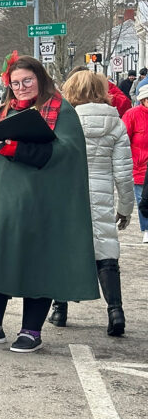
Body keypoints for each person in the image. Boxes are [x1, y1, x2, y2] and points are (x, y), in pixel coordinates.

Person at [0, 53, 98, 353]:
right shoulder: (1, 111)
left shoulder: (62, 111)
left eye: (27, 81)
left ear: (40, 79)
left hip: (39, 203)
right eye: (15, 83)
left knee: (36, 262)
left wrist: (18, 149)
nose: (21, 87)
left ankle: (31, 330)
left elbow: (67, 153)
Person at [48, 71, 132, 335]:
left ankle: (59, 308)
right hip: (101, 191)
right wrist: (125, 208)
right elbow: (123, 172)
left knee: (63, 249)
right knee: (106, 250)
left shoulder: (65, 120)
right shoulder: (116, 123)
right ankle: (115, 310)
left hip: (67, 191)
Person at [122, 85, 148, 243]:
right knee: (143, 199)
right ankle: (146, 228)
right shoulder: (132, 115)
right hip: (140, 166)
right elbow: (124, 140)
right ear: (144, 100)